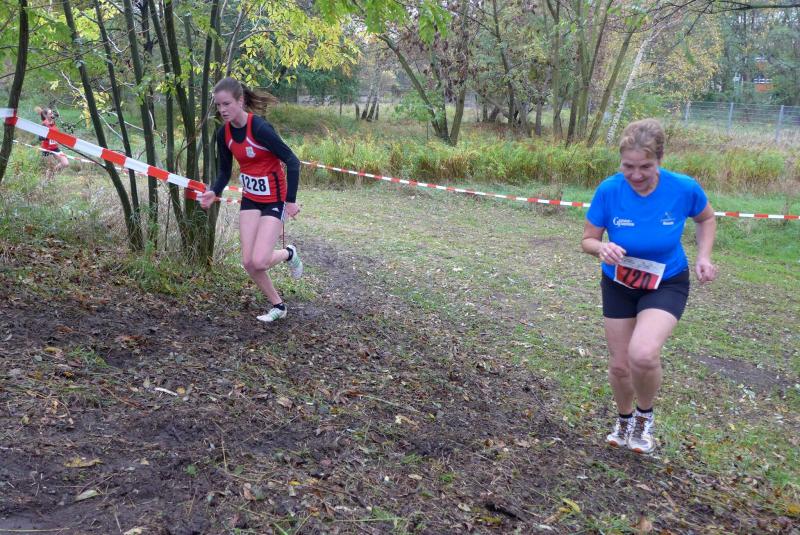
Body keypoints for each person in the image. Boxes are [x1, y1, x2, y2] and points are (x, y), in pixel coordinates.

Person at [581, 118, 718, 454]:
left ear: (660, 160)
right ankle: (624, 419)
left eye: (645, 166)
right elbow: (587, 239)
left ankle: (644, 417)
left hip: (666, 281)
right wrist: (602, 248)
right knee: (620, 365)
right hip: (619, 282)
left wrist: (704, 256)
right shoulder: (609, 190)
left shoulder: (683, 188)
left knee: (642, 354)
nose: (636, 175)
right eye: (628, 166)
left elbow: (706, 218)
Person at [200, 77, 303, 323]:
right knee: (248, 262)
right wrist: (214, 191)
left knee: (260, 260)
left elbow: (292, 161)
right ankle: (278, 305)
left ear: (240, 101)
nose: (222, 110)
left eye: (226, 104)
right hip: (251, 199)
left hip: (275, 199)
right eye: (218, 105)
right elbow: (224, 171)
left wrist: (290, 200)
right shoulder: (223, 134)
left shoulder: (259, 128)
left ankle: (289, 253)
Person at [35, 106, 69, 175]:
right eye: (50, 114)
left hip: (55, 148)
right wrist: (49, 136)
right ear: (46, 116)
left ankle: (52, 173)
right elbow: (40, 138)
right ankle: (48, 179)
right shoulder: (44, 124)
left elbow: (56, 117)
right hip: (47, 149)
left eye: (52, 113)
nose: (52, 115)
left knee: (65, 163)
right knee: (50, 168)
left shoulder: (53, 122)